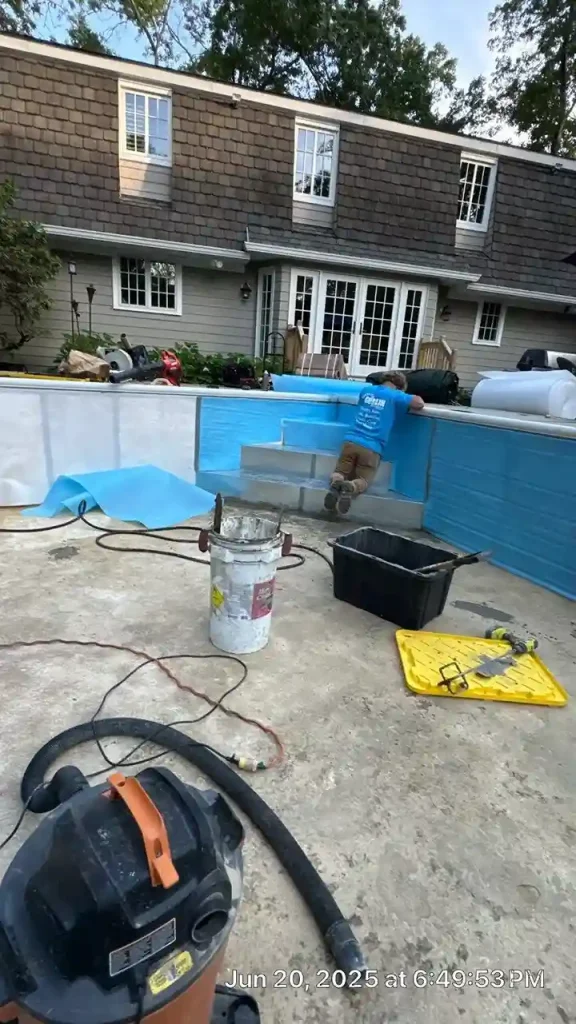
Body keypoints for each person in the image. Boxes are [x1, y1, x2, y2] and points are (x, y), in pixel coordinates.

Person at [324, 371, 425, 514]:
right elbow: (419, 403)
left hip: (351, 441)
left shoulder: (367, 391)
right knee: (363, 480)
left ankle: (336, 484)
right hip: (372, 448)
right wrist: (403, 396)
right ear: (400, 386)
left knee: (339, 471)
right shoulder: (395, 395)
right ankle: (351, 487)